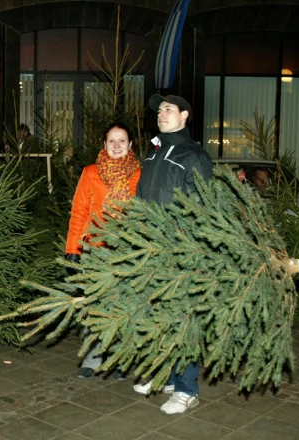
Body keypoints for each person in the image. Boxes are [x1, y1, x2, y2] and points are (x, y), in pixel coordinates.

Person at [134, 94, 213, 414]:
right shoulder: (153, 155)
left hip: (179, 252)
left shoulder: (194, 156)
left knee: (183, 319)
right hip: (150, 250)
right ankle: (166, 377)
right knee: (158, 317)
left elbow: (200, 208)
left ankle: (186, 389)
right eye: (159, 110)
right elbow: (141, 200)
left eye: (168, 110)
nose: (161, 114)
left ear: (185, 116)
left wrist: (186, 251)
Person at [65, 121, 141, 380]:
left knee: (122, 307)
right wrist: (73, 248)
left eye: (122, 141)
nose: (117, 146)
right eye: (112, 141)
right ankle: (93, 357)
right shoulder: (90, 173)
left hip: (127, 252)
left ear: (131, 145)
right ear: (104, 144)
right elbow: (79, 213)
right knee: (94, 308)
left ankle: (120, 359)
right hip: (95, 251)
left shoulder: (140, 173)